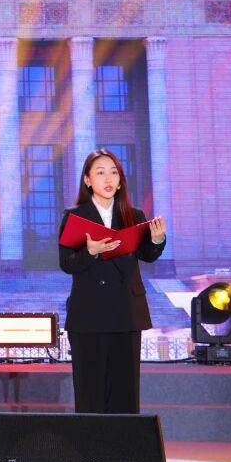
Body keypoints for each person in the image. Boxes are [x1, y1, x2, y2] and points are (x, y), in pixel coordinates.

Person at [58, 148, 167, 414]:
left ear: (120, 181)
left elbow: (147, 255)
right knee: (90, 394)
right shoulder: (75, 216)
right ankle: (91, 442)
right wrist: (91, 252)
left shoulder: (134, 216)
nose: (108, 179)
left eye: (114, 172)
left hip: (126, 313)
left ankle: (124, 442)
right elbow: (67, 264)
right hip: (89, 316)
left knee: (125, 395)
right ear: (87, 180)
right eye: (100, 172)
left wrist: (157, 240)